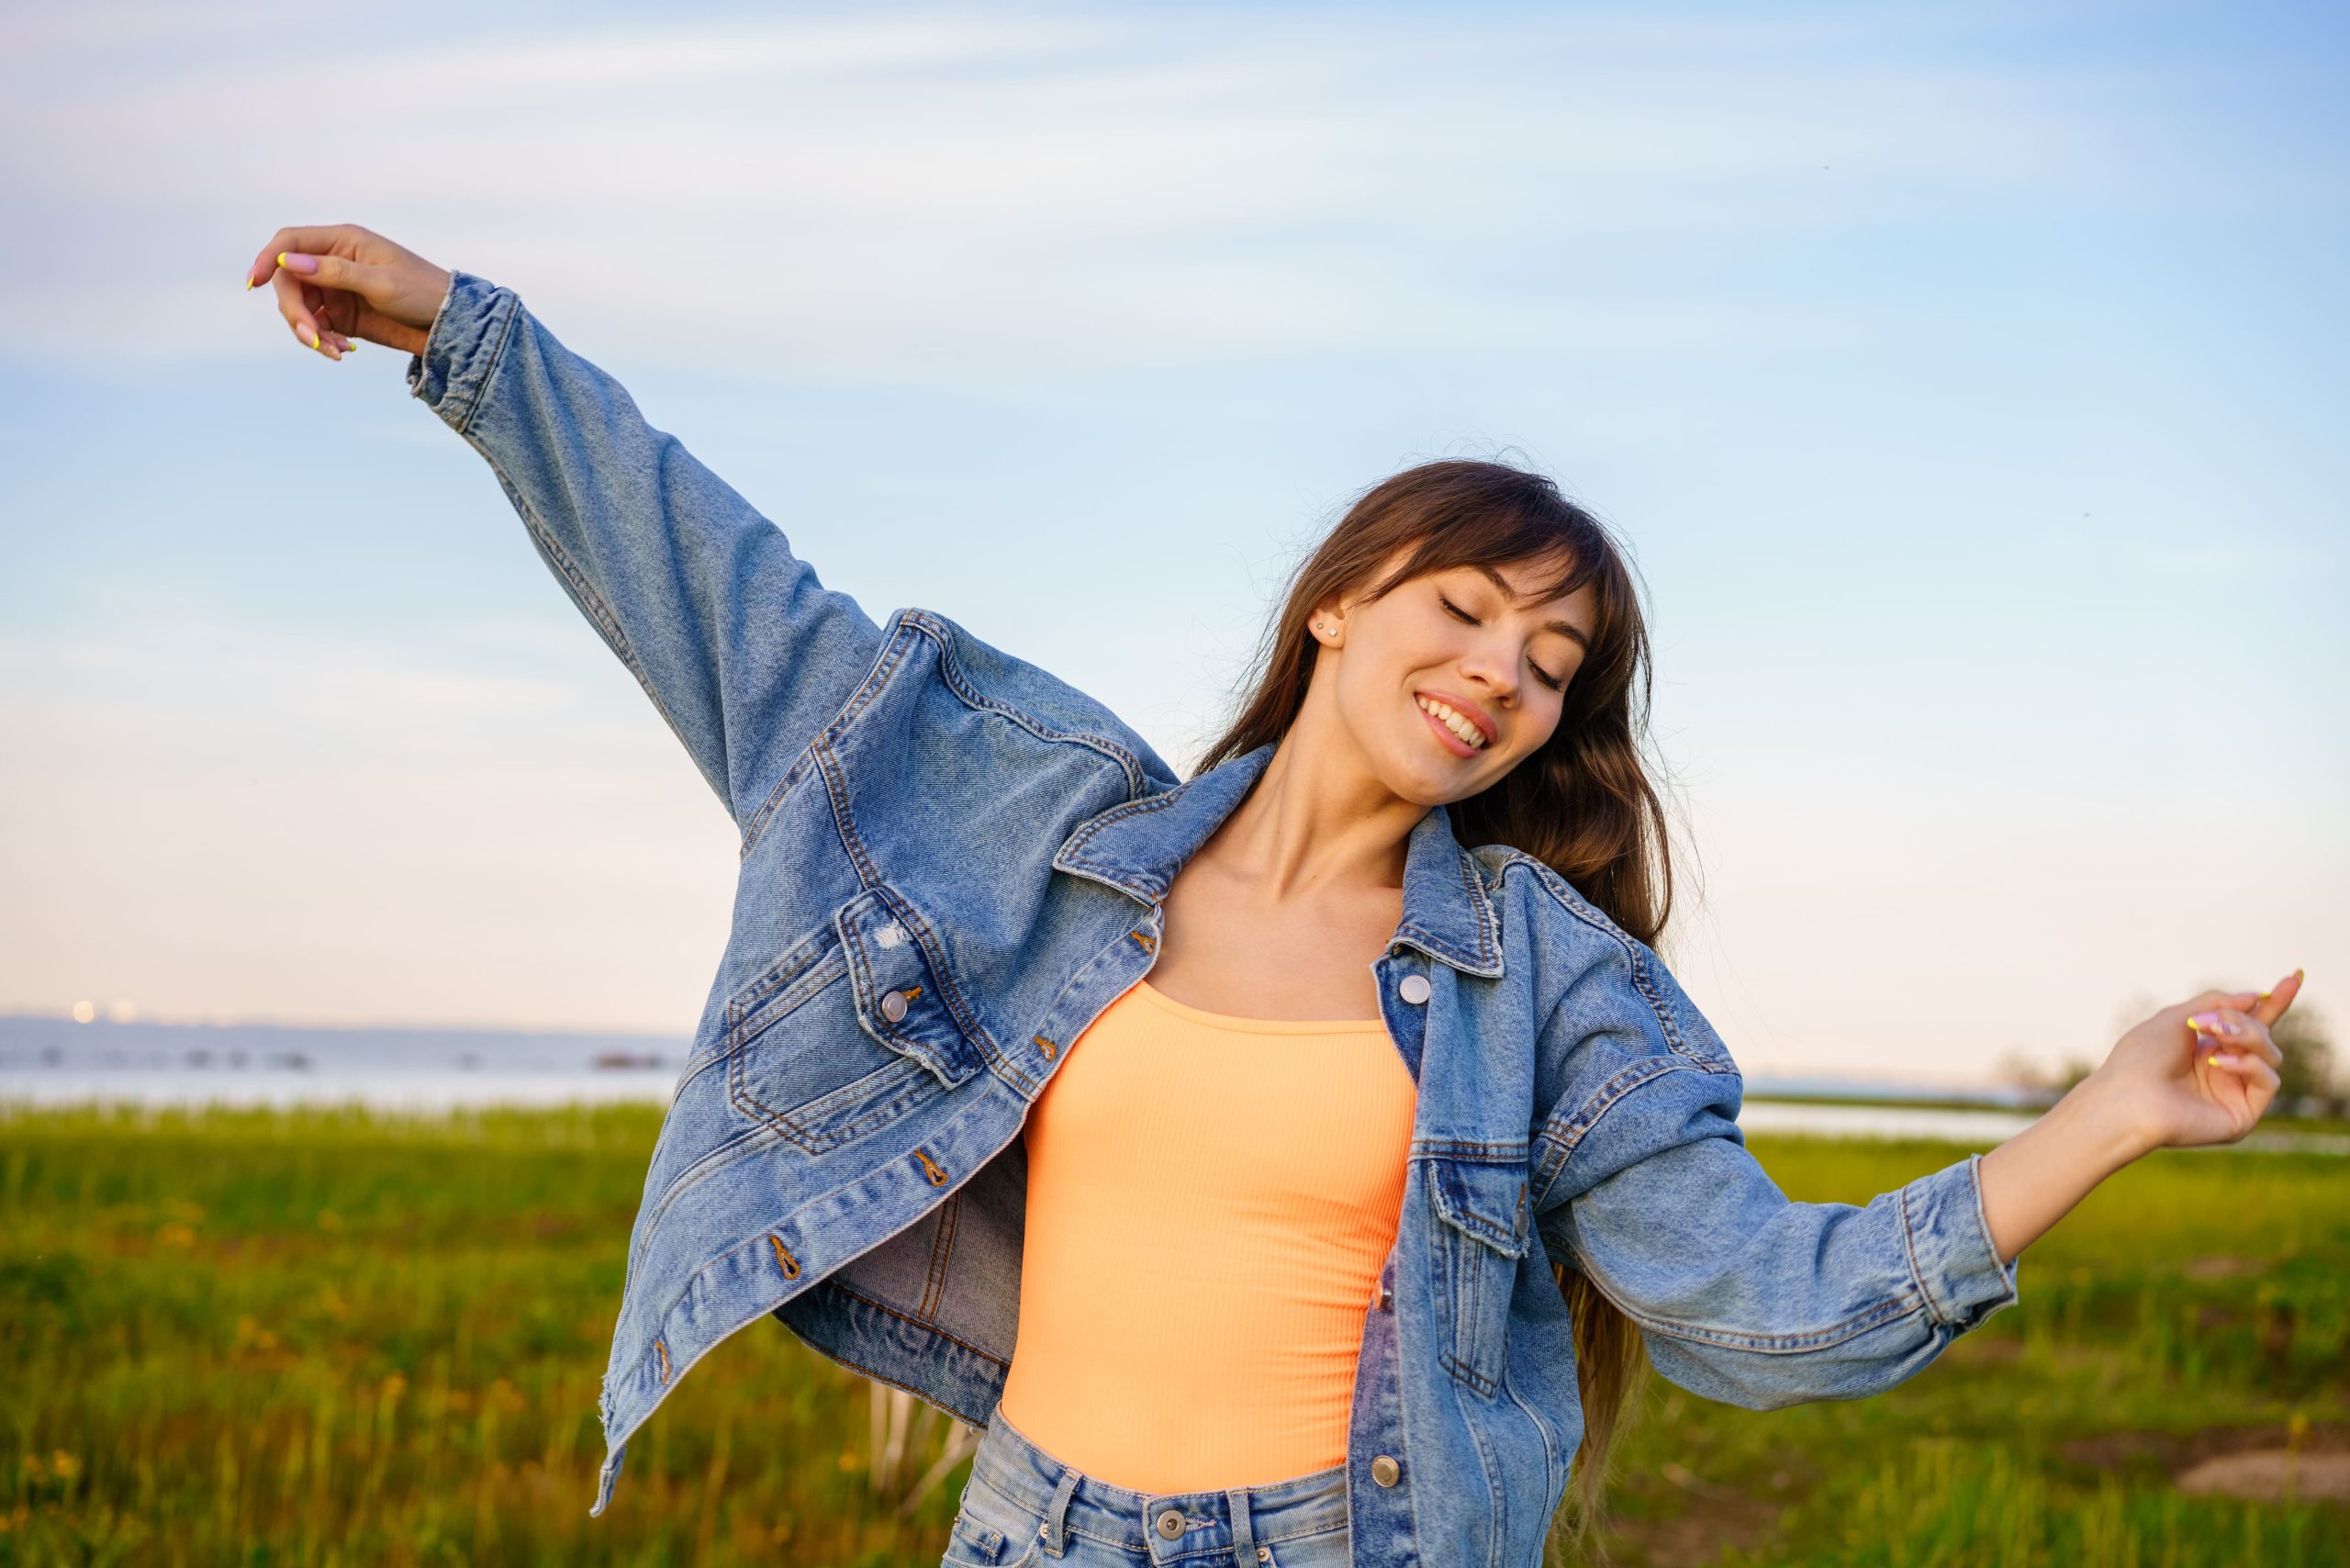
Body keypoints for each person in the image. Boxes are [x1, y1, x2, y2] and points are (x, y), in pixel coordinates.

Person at [245, 224, 2305, 1568]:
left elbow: (1764, 1310)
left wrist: (2111, 1107)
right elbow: (744, 615)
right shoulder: (1044, 835)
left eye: (1554, 659)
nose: (1502, 667)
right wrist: (474, 343)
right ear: (1339, 602)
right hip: (1027, 1525)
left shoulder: (1537, 984)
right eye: (1466, 605)